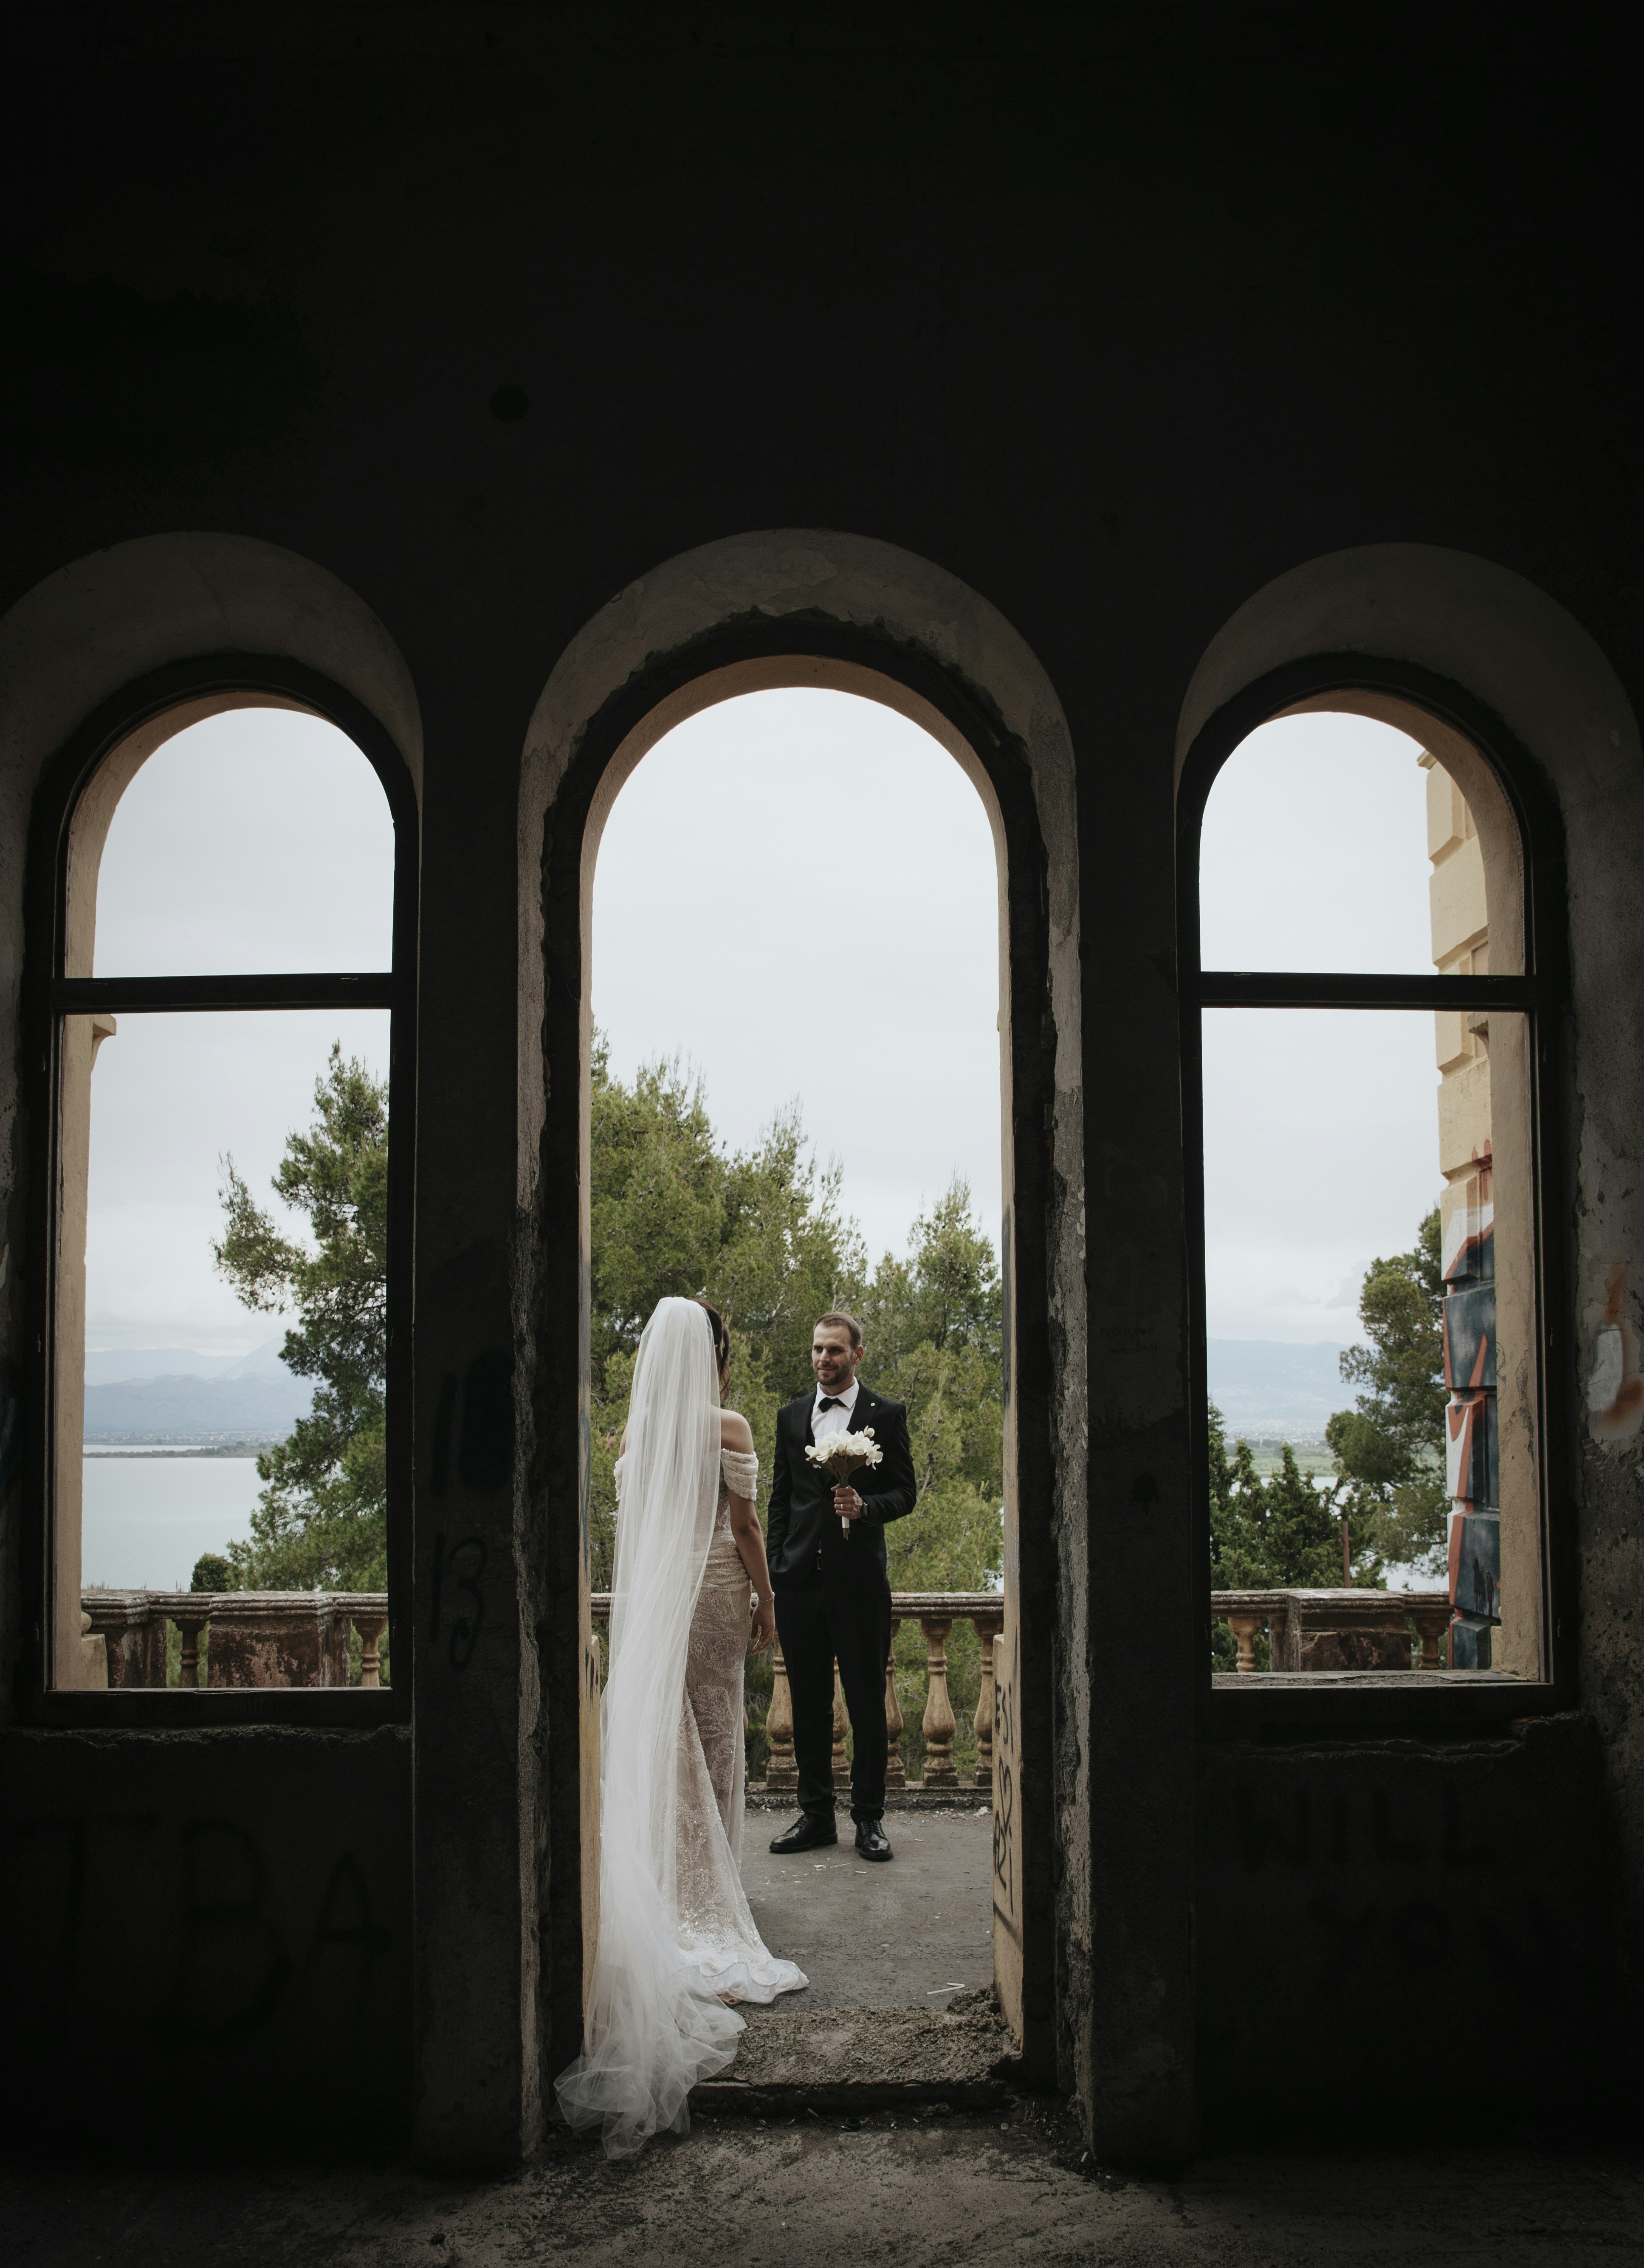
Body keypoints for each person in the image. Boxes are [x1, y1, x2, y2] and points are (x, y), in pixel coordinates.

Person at [555, 1296, 806, 2158]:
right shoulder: (727, 1425)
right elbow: (742, 1525)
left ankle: (671, 1888)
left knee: (666, 1741)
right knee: (717, 1728)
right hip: (716, 1589)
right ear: (714, 1353)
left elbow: (637, 1528)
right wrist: (767, 1600)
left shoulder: (637, 1435)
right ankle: (718, 1893)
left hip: (659, 1595)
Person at [764, 1310, 918, 1863]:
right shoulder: (790, 1418)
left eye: (834, 1349)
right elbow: (780, 1501)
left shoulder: (887, 1414)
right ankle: (816, 1815)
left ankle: (870, 1820)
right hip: (802, 1584)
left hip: (860, 1587)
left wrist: (866, 1507)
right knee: (807, 1703)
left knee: (867, 1704)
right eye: (817, 1349)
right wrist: (779, 1565)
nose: (823, 1359)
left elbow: (906, 1492)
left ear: (857, 1353)